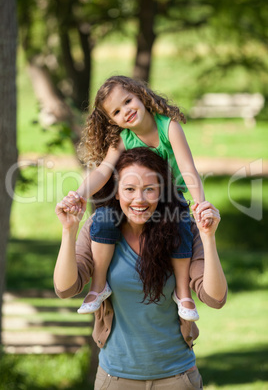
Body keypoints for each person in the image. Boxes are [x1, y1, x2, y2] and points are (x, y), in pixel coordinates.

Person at [55, 148, 227, 390]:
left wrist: (208, 237)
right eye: (129, 189)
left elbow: (216, 297)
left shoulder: (182, 231)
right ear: (116, 191)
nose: (139, 199)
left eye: (149, 189)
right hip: (114, 379)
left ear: (162, 191)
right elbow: (65, 288)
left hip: (177, 378)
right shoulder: (99, 230)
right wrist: (68, 230)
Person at [64, 75, 208, 320]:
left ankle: (183, 292)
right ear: (112, 121)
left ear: (141, 95)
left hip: (171, 197)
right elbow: (102, 170)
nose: (126, 111)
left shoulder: (169, 127)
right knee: (104, 217)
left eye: (128, 101)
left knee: (181, 224)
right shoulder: (123, 139)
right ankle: (98, 286)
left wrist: (200, 203)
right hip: (137, 201)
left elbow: (187, 168)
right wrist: (79, 194)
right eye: (117, 112)